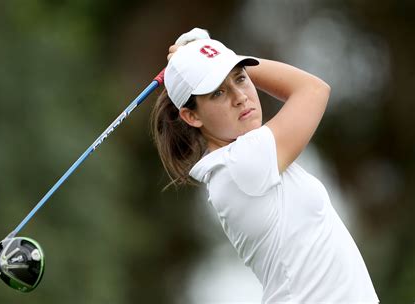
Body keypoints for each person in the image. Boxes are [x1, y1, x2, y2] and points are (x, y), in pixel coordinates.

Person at [150, 28, 379, 303]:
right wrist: (225, 57)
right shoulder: (243, 162)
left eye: (241, 78)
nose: (240, 97)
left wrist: (214, 59)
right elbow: (314, 89)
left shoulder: (237, 162)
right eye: (218, 93)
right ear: (191, 116)